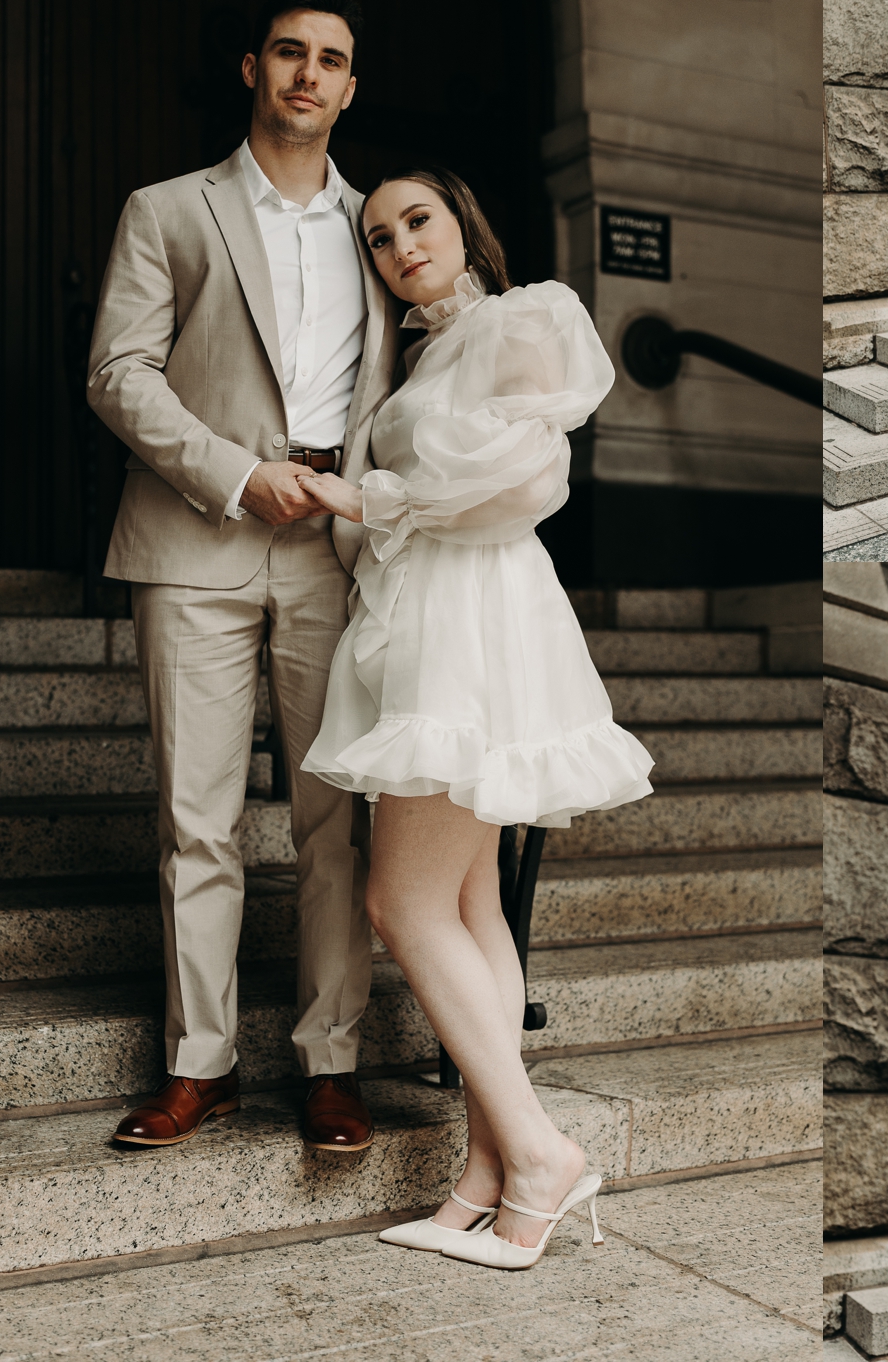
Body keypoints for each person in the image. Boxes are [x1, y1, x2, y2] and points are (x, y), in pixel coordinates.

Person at [293, 165, 655, 1270]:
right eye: (380, 235)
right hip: (435, 610)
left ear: (464, 227)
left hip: (475, 615)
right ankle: (487, 1171)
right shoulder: (420, 354)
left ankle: (540, 1154)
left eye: (420, 221)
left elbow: (532, 476)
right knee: (468, 903)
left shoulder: (522, 318)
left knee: (398, 899)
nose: (402, 243)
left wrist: (371, 496)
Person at [86, 0, 404, 1153]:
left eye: (331, 59)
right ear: (251, 70)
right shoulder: (167, 209)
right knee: (198, 817)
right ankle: (198, 1062)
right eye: (289, 53)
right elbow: (119, 374)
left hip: (335, 548)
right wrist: (231, 473)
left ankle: (329, 1060)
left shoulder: (384, 227)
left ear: (350, 86)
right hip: (197, 536)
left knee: (334, 819)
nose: (308, 74)